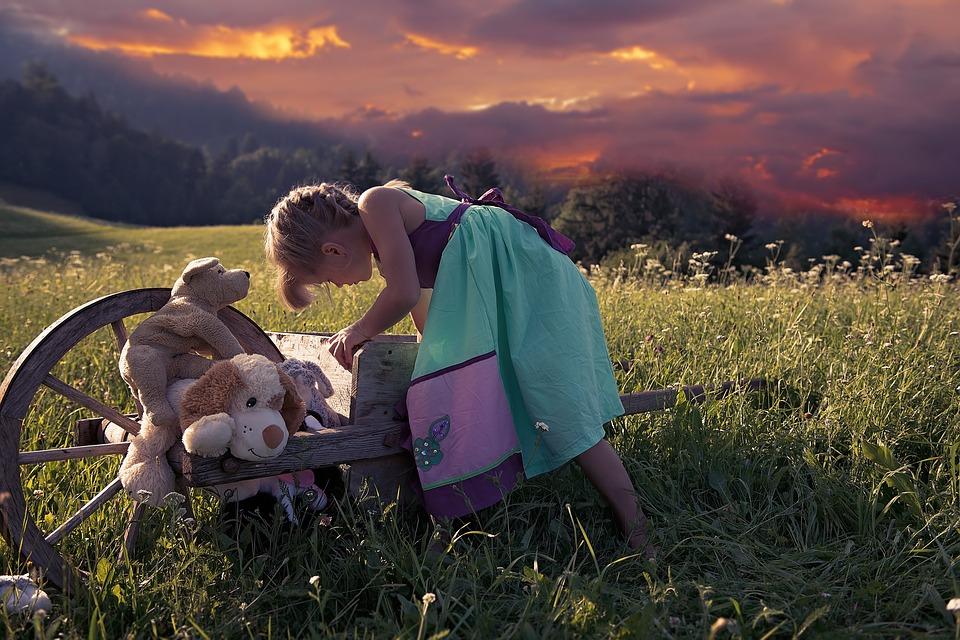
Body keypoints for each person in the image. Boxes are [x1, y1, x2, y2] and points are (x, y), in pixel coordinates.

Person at [263, 176, 651, 553]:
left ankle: (637, 526)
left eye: (327, 280)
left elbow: (404, 293)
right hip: (511, 295)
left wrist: (359, 330)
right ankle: (452, 518)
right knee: (451, 395)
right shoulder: (390, 248)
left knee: (563, 410)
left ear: (334, 251)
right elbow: (426, 321)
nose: (340, 287)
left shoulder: (376, 203)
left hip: (536, 288)